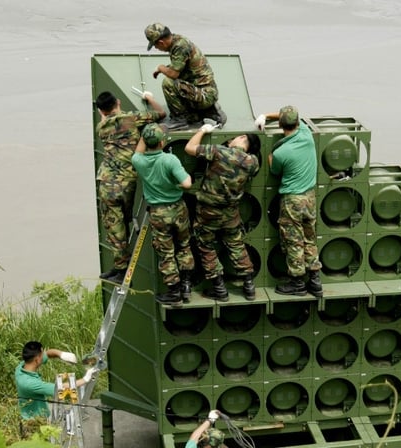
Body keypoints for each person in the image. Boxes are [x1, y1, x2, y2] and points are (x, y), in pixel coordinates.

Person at [95, 90, 166, 284]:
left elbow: (109, 119)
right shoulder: (133, 118)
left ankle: (120, 268)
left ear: (101, 111)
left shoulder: (101, 128)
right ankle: (120, 267)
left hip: (108, 182)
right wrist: (149, 97)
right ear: (118, 102)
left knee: (114, 226)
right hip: (128, 181)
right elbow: (161, 114)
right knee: (123, 222)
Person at [184, 124, 261, 301]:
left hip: (207, 212)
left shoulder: (218, 152)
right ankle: (249, 285)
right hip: (230, 213)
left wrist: (203, 130)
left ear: (242, 137)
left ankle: (219, 288)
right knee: (236, 245)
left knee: (205, 246)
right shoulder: (252, 162)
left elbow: (189, 148)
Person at [255, 106, 322, 297]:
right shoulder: (306, 134)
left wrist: (269, 157)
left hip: (292, 200)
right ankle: (315, 281)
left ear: (280, 124)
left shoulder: (281, 152)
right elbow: (292, 116)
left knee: (293, 241)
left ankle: (297, 283)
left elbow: (275, 171)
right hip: (309, 198)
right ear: (297, 122)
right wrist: (269, 115)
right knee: (309, 237)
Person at [132, 123, 195, 306]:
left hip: (158, 213)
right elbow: (187, 184)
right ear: (162, 143)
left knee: (166, 253)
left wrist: (146, 134)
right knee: (184, 246)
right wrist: (176, 186)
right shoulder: (170, 160)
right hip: (178, 209)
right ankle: (186, 286)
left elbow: (139, 149)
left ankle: (173, 292)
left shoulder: (138, 161)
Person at [144, 23, 226, 130]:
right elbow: (181, 67)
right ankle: (209, 112)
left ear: (161, 42)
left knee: (168, 83)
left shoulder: (179, 47)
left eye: (155, 45)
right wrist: (165, 69)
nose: (156, 48)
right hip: (205, 91)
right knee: (191, 117)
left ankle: (179, 120)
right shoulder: (177, 40)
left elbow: (173, 74)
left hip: (205, 94)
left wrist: (161, 68)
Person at [15, 341, 96, 420]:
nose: (44, 355)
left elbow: (48, 353)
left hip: (32, 412)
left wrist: (61, 354)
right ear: (37, 359)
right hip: (34, 420)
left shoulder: (22, 366)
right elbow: (60, 389)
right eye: (42, 354)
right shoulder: (29, 383)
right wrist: (85, 379)